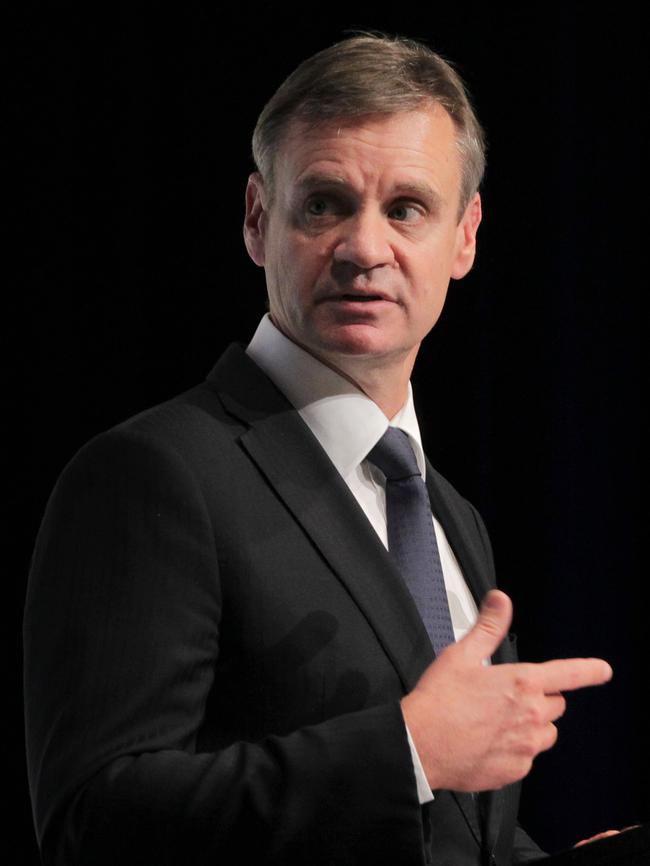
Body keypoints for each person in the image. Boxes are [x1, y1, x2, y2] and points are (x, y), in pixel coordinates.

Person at [24, 33, 614, 866]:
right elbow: (94, 822)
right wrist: (405, 749)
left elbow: (436, 831)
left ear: (466, 236)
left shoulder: (454, 517)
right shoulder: (154, 476)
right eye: (325, 204)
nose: (365, 249)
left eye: (407, 208)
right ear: (259, 220)